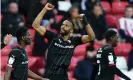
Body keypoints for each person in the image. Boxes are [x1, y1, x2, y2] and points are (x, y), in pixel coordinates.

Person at [32, 3, 95, 80]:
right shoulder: (53, 37)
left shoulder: (74, 41)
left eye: (66, 25)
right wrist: (45, 9)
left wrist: (85, 22)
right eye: (62, 24)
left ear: (71, 30)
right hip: (49, 77)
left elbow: (91, 37)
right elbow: (35, 25)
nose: (63, 26)